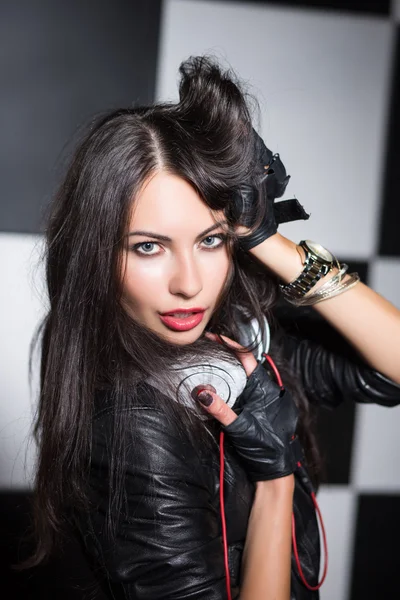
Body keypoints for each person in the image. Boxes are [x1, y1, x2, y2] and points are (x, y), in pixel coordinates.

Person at [21, 55, 400, 599]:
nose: (188, 283)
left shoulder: (241, 347)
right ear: (98, 255)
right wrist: (275, 479)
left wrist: (266, 240)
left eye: (211, 240)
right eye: (148, 247)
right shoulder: (133, 427)